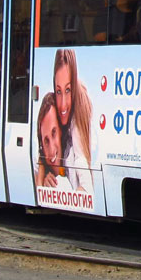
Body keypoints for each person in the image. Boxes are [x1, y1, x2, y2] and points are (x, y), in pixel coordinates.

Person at [53, 49, 92, 191]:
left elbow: (81, 161)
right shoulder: (51, 110)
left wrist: (82, 191)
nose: (63, 104)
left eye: (68, 90)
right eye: (59, 91)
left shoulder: (78, 109)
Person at [34, 92, 64, 189]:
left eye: (54, 133)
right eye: (46, 141)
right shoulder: (39, 166)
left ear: (61, 130)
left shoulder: (73, 158)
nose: (51, 150)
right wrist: (42, 180)